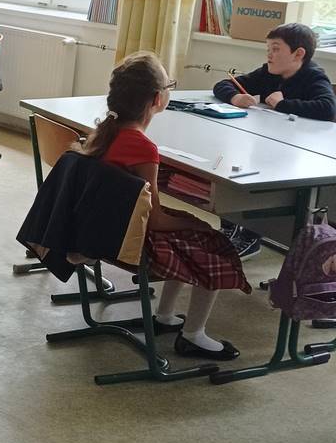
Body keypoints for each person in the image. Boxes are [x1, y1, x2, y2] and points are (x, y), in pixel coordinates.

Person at [83, 52, 249, 361]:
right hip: (128, 241)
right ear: (157, 99)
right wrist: (198, 224)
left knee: (186, 227)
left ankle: (165, 316)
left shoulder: (106, 132)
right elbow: (156, 221)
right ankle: (193, 335)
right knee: (211, 242)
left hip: (104, 230)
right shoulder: (142, 146)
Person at [212, 24, 336, 257]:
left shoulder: (313, 76)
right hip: (264, 142)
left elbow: (327, 108)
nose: (269, 54)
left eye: (276, 49)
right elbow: (223, 84)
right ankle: (231, 226)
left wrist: (282, 104)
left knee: (260, 186)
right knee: (232, 173)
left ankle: (251, 235)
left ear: (298, 54)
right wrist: (235, 97)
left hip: (295, 153)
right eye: (268, 48)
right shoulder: (268, 72)